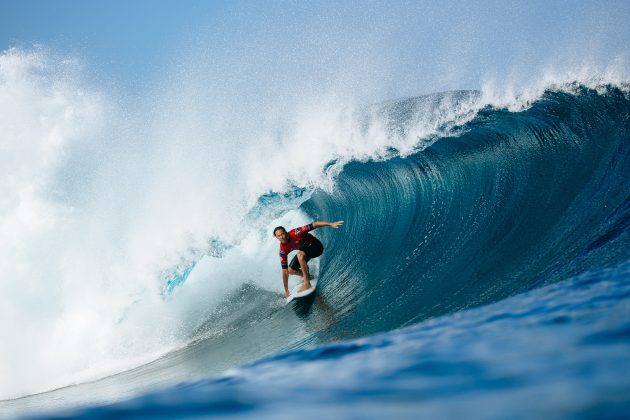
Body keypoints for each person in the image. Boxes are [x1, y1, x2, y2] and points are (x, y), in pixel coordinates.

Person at [274, 221, 344, 298]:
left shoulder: (296, 232)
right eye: (279, 236)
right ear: (277, 238)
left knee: (300, 255)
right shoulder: (282, 250)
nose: (282, 237)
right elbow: (285, 271)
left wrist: (331, 224)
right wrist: (286, 290)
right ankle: (308, 276)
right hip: (305, 251)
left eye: (282, 234)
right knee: (290, 270)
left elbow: (314, 224)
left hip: (316, 247)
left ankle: (307, 284)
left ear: (286, 232)